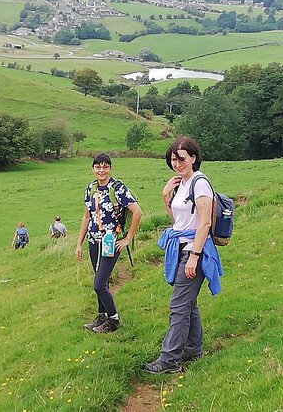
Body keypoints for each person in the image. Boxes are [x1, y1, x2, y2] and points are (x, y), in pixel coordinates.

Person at [144, 137, 223, 374]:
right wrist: (166, 197)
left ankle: (169, 361)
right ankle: (192, 348)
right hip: (180, 247)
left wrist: (194, 255)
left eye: (182, 159)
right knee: (188, 304)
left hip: (194, 250)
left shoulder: (200, 183)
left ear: (193, 158)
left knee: (178, 307)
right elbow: (178, 222)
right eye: (173, 159)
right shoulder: (183, 183)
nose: (177, 164)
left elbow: (205, 222)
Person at [75, 153, 142, 334]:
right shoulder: (90, 188)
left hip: (110, 242)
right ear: (93, 169)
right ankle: (101, 316)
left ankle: (113, 319)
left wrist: (128, 238)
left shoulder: (118, 188)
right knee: (99, 278)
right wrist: (79, 243)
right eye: (98, 167)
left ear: (110, 168)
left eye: (105, 167)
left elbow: (137, 212)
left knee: (99, 284)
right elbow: (86, 216)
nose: (101, 170)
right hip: (93, 240)